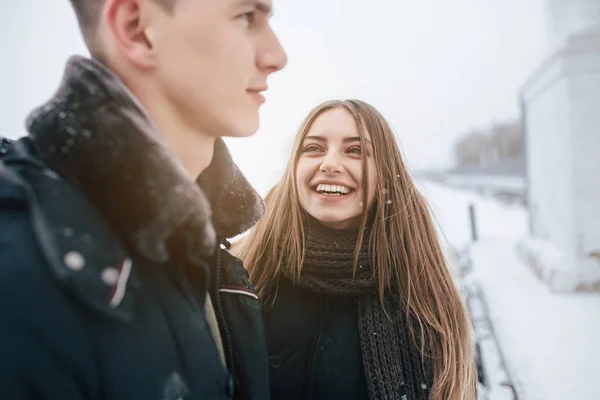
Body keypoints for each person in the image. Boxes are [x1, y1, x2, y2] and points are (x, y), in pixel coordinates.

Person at [0, 0, 286, 399]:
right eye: (245, 17)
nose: (277, 56)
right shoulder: (19, 278)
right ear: (136, 28)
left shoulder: (213, 252)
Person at [235, 99, 477, 400]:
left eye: (355, 151)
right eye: (313, 148)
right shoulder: (239, 274)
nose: (330, 164)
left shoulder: (425, 302)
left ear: (386, 173)